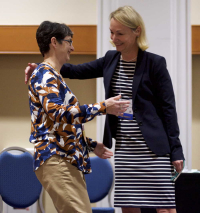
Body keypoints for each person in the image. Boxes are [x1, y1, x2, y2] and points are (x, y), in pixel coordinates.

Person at [25, 6, 185, 213]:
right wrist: (39, 66)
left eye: (120, 33)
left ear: (137, 31)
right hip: (126, 147)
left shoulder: (154, 63)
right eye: (111, 32)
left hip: (153, 148)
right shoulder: (111, 59)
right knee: (128, 206)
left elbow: (168, 109)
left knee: (164, 208)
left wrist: (176, 150)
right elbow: (72, 70)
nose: (114, 38)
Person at [28, 20, 130, 213]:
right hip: (58, 159)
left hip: (64, 159)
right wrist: (102, 107)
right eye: (68, 41)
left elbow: (56, 125)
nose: (72, 47)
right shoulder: (45, 75)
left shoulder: (52, 75)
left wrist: (89, 144)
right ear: (54, 42)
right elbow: (57, 113)